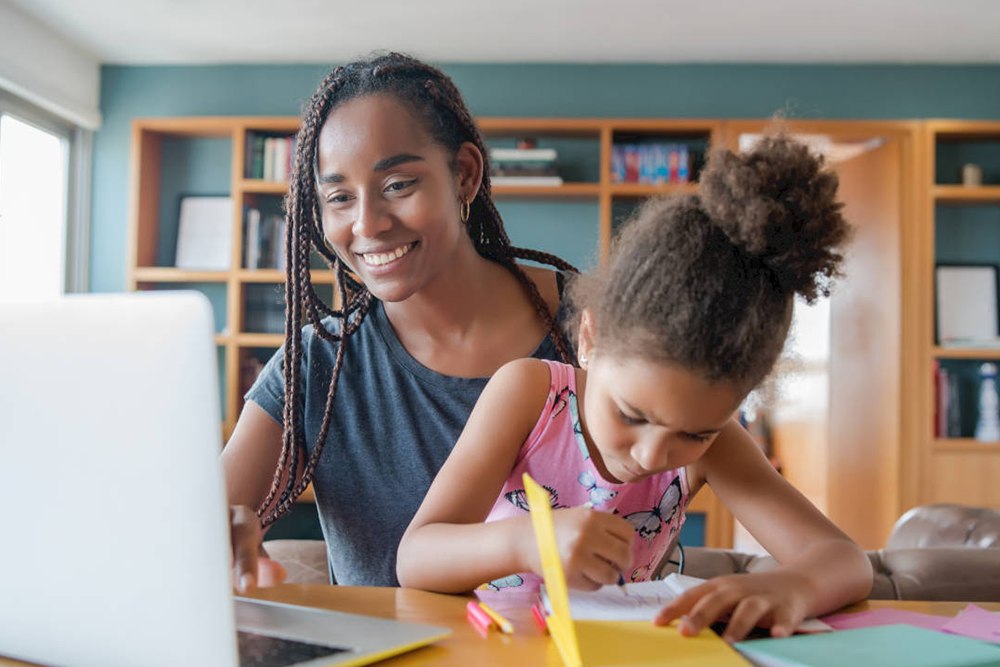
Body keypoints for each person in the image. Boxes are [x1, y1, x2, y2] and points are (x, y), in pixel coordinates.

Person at [396, 134, 873, 642]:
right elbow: (417, 557)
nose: (653, 454)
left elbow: (844, 560)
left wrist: (792, 586)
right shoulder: (530, 395)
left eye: (695, 434)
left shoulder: (719, 445)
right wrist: (526, 542)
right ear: (589, 338)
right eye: (631, 415)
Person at [222, 51, 578, 590]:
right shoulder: (319, 365)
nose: (368, 224)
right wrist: (219, 534)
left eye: (397, 185)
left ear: (463, 174)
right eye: (339, 197)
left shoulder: (593, 327)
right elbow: (197, 528)